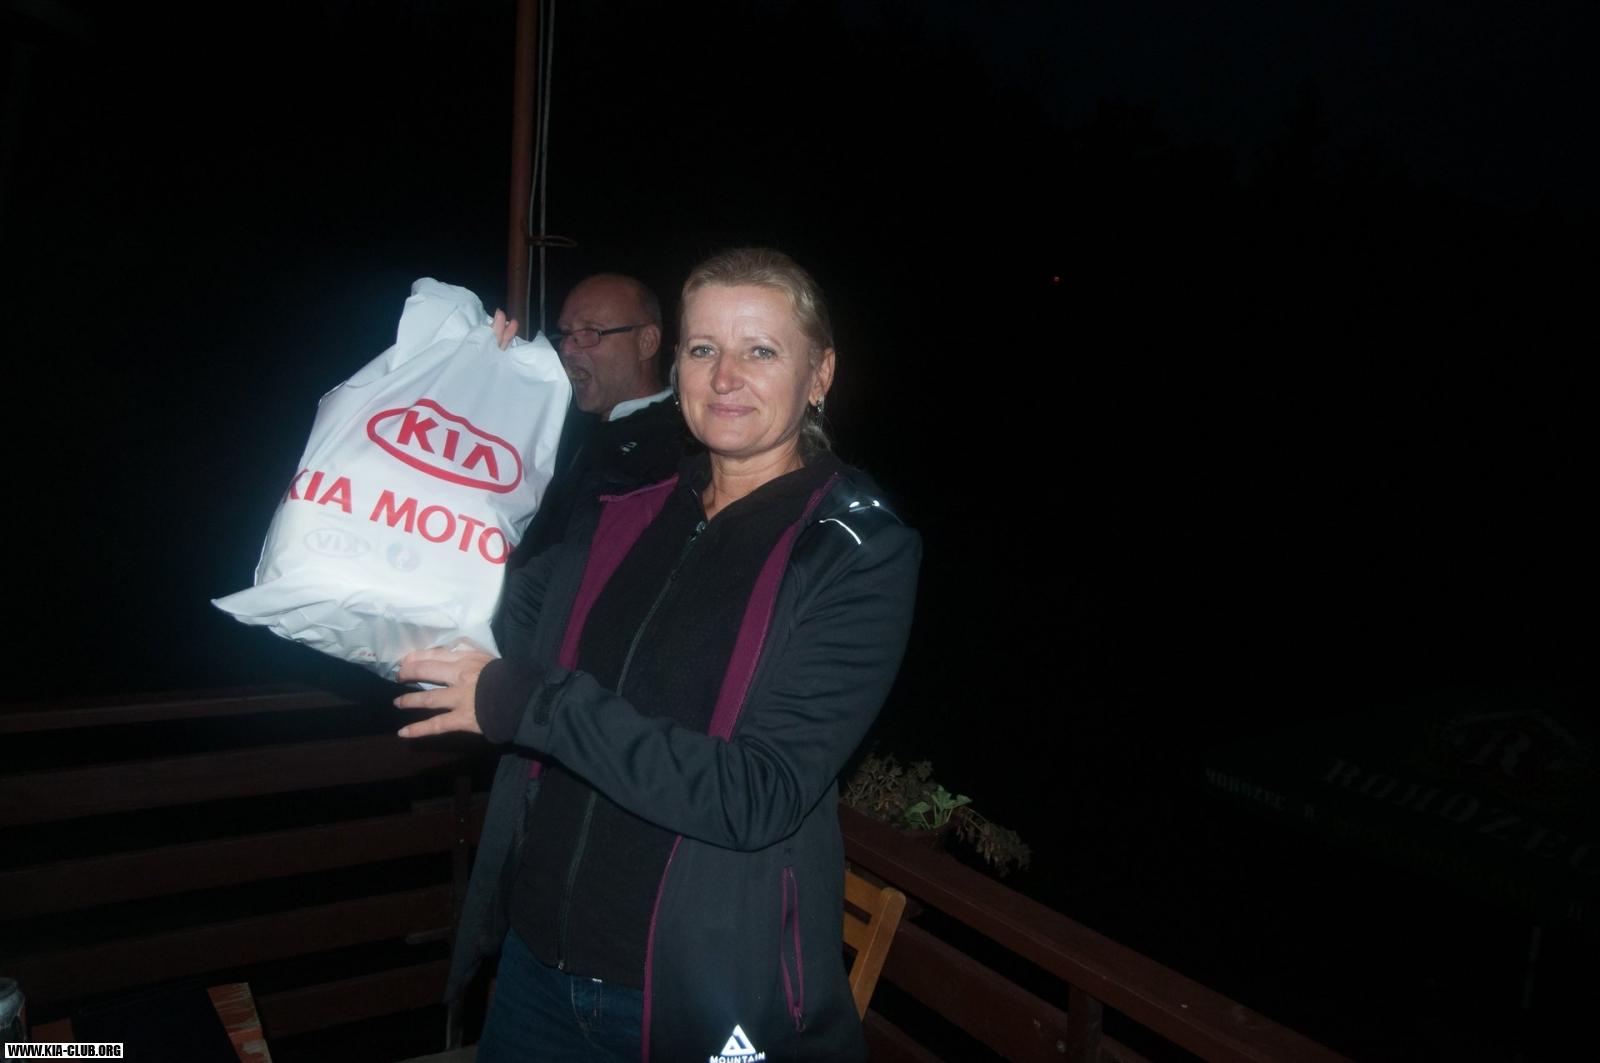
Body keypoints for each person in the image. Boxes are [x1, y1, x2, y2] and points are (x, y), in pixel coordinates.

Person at [397, 248, 921, 1062]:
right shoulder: (626, 510)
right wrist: (474, 402)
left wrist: (530, 703)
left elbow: (757, 792)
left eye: (761, 350)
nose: (726, 376)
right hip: (536, 966)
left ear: (819, 373)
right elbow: (466, 618)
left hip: (689, 995)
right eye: (704, 348)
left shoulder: (854, 549)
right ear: (675, 365)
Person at [495, 274, 693, 565]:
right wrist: (491, 371)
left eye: (590, 333)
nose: (567, 349)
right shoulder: (560, 423)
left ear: (647, 342)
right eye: (565, 334)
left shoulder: (678, 452)